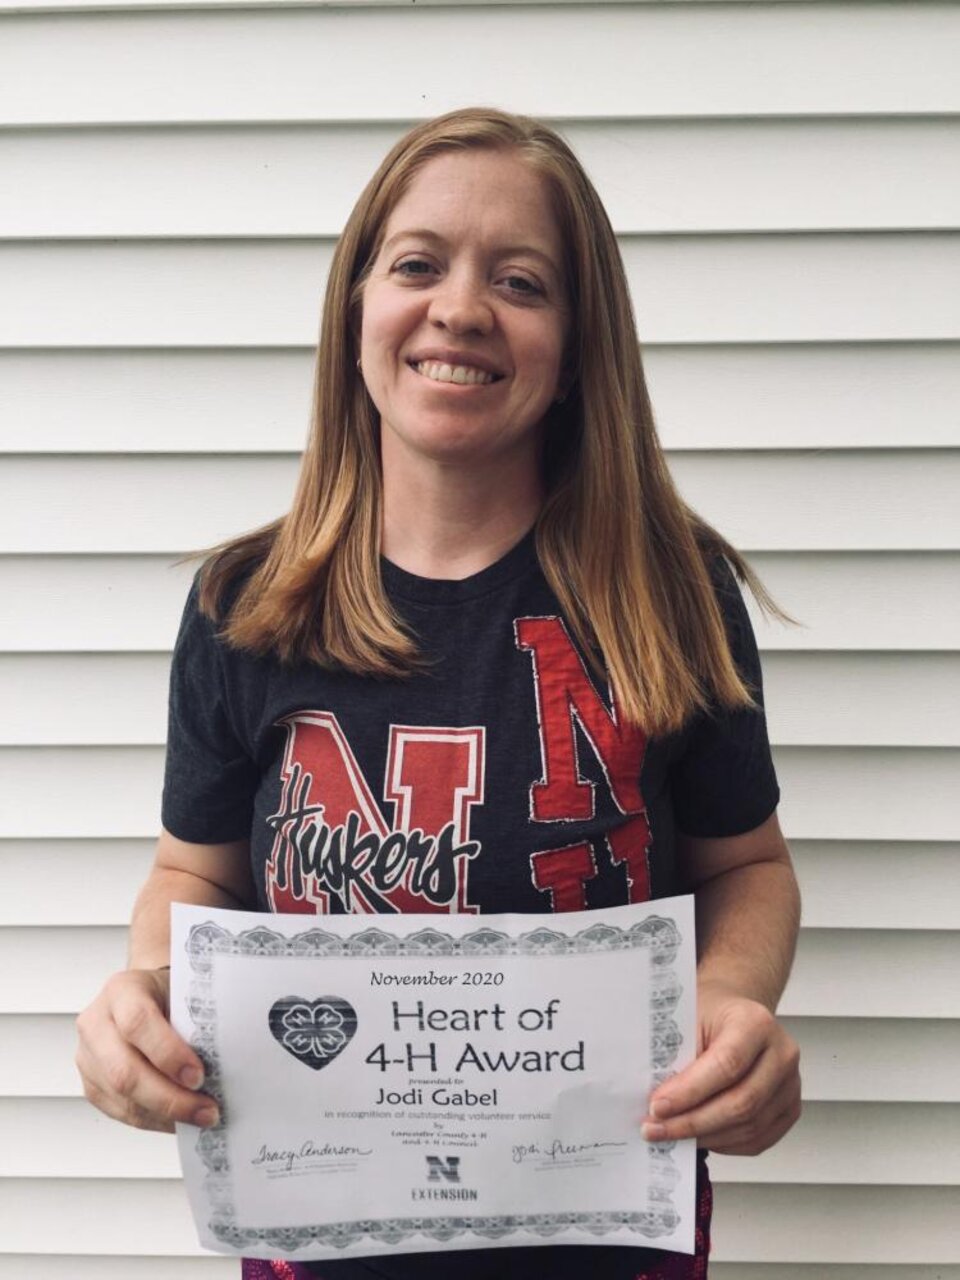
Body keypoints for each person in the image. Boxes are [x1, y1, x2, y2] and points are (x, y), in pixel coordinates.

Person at [76, 106, 801, 1280]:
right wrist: (145, 997)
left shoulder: (669, 590)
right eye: (417, 264)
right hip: (312, 1237)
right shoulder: (245, 605)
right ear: (356, 310)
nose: (461, 307)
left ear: (576, 351)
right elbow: (192, 873)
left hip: (613, 1236)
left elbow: (748, 867)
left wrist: (730, 1003)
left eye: (521, 281)